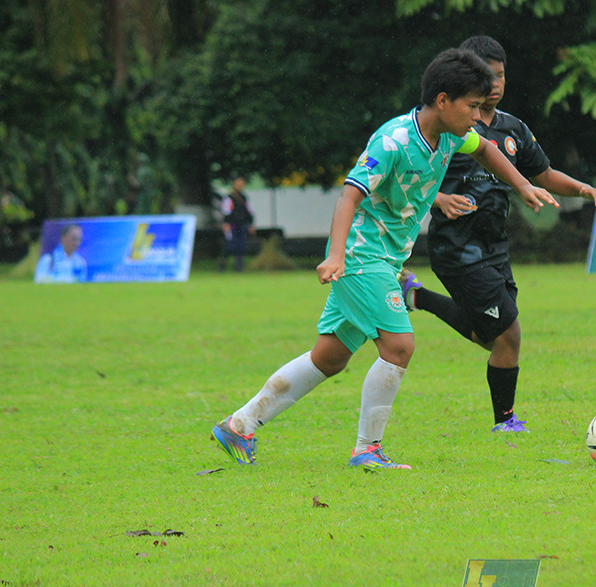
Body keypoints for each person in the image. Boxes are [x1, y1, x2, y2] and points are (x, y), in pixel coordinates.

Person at [210, 48, 557, 470]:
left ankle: (239, 424)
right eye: (471, 106)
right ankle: (367, 450)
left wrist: (522, 185)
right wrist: (334, 255)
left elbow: (486, 150)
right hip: (361, 257)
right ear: (443, 100)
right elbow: (349, 195)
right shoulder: (393, 141)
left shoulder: (451, 135)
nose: (477, 116)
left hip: (385, 260)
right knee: (399, 345)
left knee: (329, 357)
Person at [398, 35, 596, 433]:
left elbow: (543, 174)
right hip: (457, 247)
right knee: (508, 332)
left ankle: (417, 296)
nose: (495, 84)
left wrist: (581, 188)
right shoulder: (449, 127)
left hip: (495, 245)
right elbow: (408, 180)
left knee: (489, 335)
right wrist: (439, 199)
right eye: (488, 76)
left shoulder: (513, 129)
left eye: (500, 76)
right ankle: (506, 422)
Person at [218, 176, 255, 271]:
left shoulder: (244, 198)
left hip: (243, 224)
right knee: (230, 245)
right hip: (232, 225)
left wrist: (250, 224)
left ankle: (238, 267)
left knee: (241, 245)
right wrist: (226, 223)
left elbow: (249, 211)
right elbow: (226, 211)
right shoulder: (229, 198)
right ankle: (222, 266)